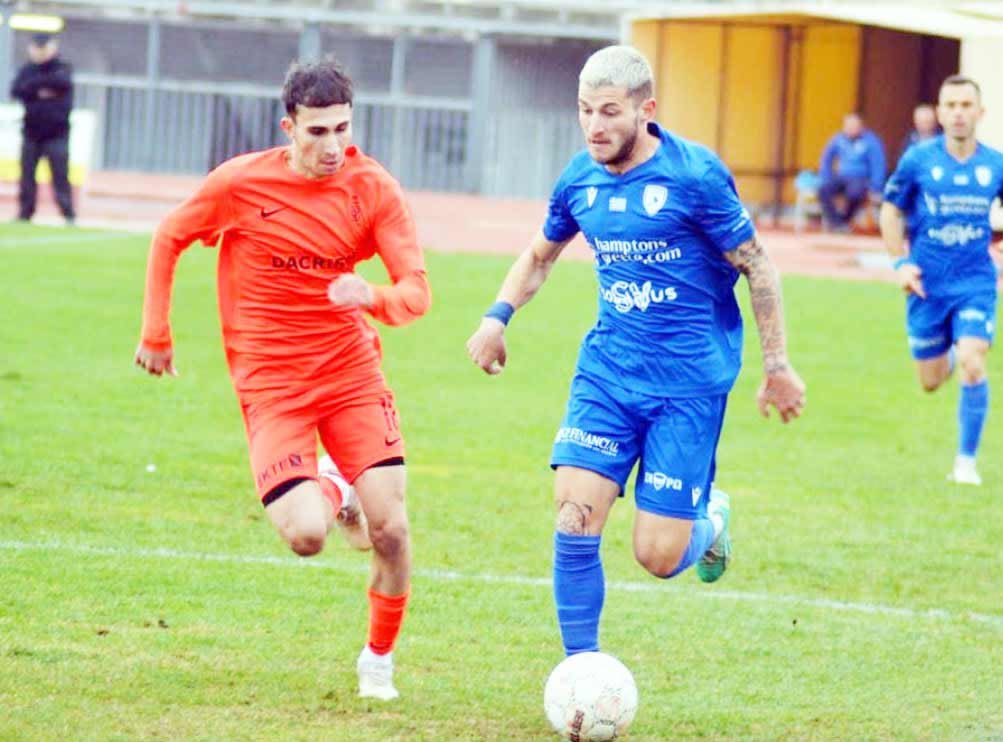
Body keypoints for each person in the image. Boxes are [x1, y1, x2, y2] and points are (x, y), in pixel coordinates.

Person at [465, 45, 805, 658]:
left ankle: (712, 520)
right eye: (584, 110)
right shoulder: (580, 179)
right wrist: (498, 316)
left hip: (688, 386)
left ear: (646, 110)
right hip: (608, 376)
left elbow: (757, 265)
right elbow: (540, 256)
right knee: (573, 518)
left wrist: (776, 365)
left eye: (609, 112)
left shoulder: (695, 177)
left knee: (657, 556)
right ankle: (581, 671)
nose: (594, 126)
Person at [135, 57, 431, 698]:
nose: (333, 146)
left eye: (343, 129)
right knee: (305, 537)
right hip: (272, 386)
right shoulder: (241, 184)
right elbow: (169, 235)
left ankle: (378, 662)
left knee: (391, 529)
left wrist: (371, 295)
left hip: (351, 375)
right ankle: (333, 487)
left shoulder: (373, 188)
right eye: (317, 131)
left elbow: (416, 292)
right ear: (288, 127)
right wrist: (156, 333)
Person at [880, 74, 1003, 486]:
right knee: (930, 381)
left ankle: (966, 463)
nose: (958, 113)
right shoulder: (918, 160)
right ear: (939, 112)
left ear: (980, 112)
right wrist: (900, 263)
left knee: (974, 362)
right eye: (951, 105)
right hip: (927, 286)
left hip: (975, 283)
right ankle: (949, 353)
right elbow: (890, 210)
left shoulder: (995, 164)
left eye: (966, 105)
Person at [10, 33, 76, 224]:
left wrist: (34, 88)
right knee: (27, 176)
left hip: (57, 133)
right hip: (31, 132)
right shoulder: (26, 70)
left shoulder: (62, 68)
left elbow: (61, 83)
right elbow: (17, 90)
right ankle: (25, 213)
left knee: (60, 175)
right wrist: (41, 88)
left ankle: (68, 213)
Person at [818, 113, 886, 232]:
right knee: (823, 190)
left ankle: (844, 221)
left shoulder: (871, 141)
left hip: (860, 178)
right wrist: (826, 177)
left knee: (855, 193)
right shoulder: (838, 139)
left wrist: (876, 186)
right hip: (841, 176)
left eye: (854, 126)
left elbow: (878, 164)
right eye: (848, 126)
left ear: (861, 127)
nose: (850, 129)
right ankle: (836, 223)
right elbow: (826, 158)